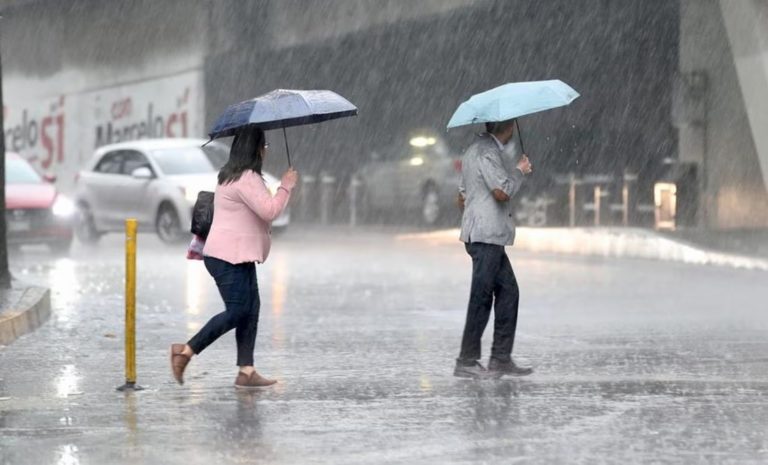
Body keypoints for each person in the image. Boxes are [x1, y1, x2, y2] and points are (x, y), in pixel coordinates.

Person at [170, 127, 298, 389]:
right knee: (239, 311)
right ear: (256, 148)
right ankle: (185, 351)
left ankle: (246, 371)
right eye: (264, 145)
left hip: (237, 255)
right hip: (227, 257)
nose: (265, 150)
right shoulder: (247, 177)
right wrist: (286, 186)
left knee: (251, 310)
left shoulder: (231, 175)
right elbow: (269, 210)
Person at [454, 118, 533, 379]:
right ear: (508, 127)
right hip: (486, 237)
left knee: (508, 292)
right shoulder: (487, 152)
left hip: (486, 236)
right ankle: (466, 360)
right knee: (482, 297)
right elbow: (502, 191)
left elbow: (461, 197)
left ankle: (500, 358)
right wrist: (520, 170)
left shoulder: (472, 150)